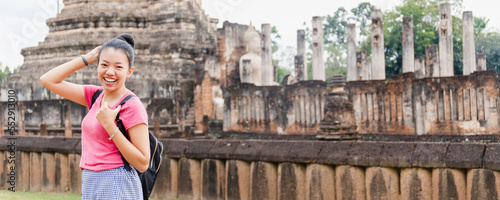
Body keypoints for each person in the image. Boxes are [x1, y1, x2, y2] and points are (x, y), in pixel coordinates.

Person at [40, 33, 150, 199]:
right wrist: (87, 58)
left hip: (117, 182)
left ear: (129, 72)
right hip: (91, 180)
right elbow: (48, 80)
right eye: (104, 64)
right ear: (97, 66)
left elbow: (143, 163)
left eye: (119, 67)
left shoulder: (131, 105)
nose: (110, 72)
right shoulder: (95, 95)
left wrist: (110, 126)